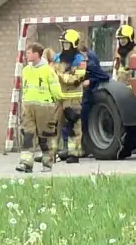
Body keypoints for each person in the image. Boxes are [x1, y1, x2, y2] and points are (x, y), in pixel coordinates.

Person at [17, 43, 63, 173]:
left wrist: (58, 100)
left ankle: (47, 163)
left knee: (45, 137)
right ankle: (26, 163)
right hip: (28, 107)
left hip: (45, 107)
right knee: (28, 135)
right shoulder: (26, 70)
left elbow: (55, 88)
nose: (26, 55)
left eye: (29, 52)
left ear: (37, 54)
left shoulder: (48, 70)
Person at [111, 24, 136, 155]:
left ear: (130, 38)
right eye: (120, 38)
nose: (122, 41)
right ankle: (131, 141)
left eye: (124, 38)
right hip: (122, 90)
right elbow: (116, 70)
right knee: (127, 118)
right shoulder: (119, 52)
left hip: (135, 89)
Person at [54, 29, 87, 164]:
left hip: (73, 99)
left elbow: (76, 79)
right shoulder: (57, 57)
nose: (65, 46)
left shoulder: (80, 59)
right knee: (54, 125)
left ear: (74, 44)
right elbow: (52, 75)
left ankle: (74, 153)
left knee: (74, 125)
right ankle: (51, 152)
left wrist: (60, 76)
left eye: (67, 43)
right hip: (59, 97)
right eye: (63, 43)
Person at [78, 39, 111, 155]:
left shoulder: (90, 62)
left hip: (89, 94)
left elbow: (104, 76)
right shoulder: (88, 58)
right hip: (85, 94)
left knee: (84, 121)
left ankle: (85, 148)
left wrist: (89, 81)